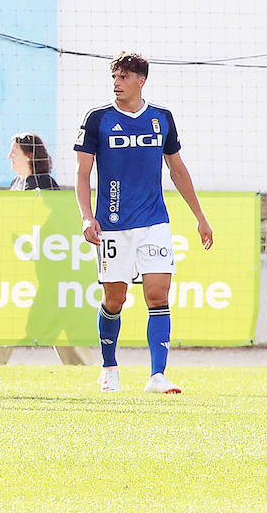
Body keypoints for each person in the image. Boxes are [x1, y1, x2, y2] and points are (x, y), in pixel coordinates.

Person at [75, 52, 212, 394]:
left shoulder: (161, 118)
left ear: (141, 80)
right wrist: (86, 217)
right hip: (113, 225)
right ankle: (109, 368)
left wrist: (200, 218)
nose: (117, 84)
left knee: (158, 294)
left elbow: (177, 169)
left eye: (123, 78)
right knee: (115, 300)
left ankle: (157, 375)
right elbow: (82, 173)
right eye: (115, 78)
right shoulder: (98, 119)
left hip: (154, 222)